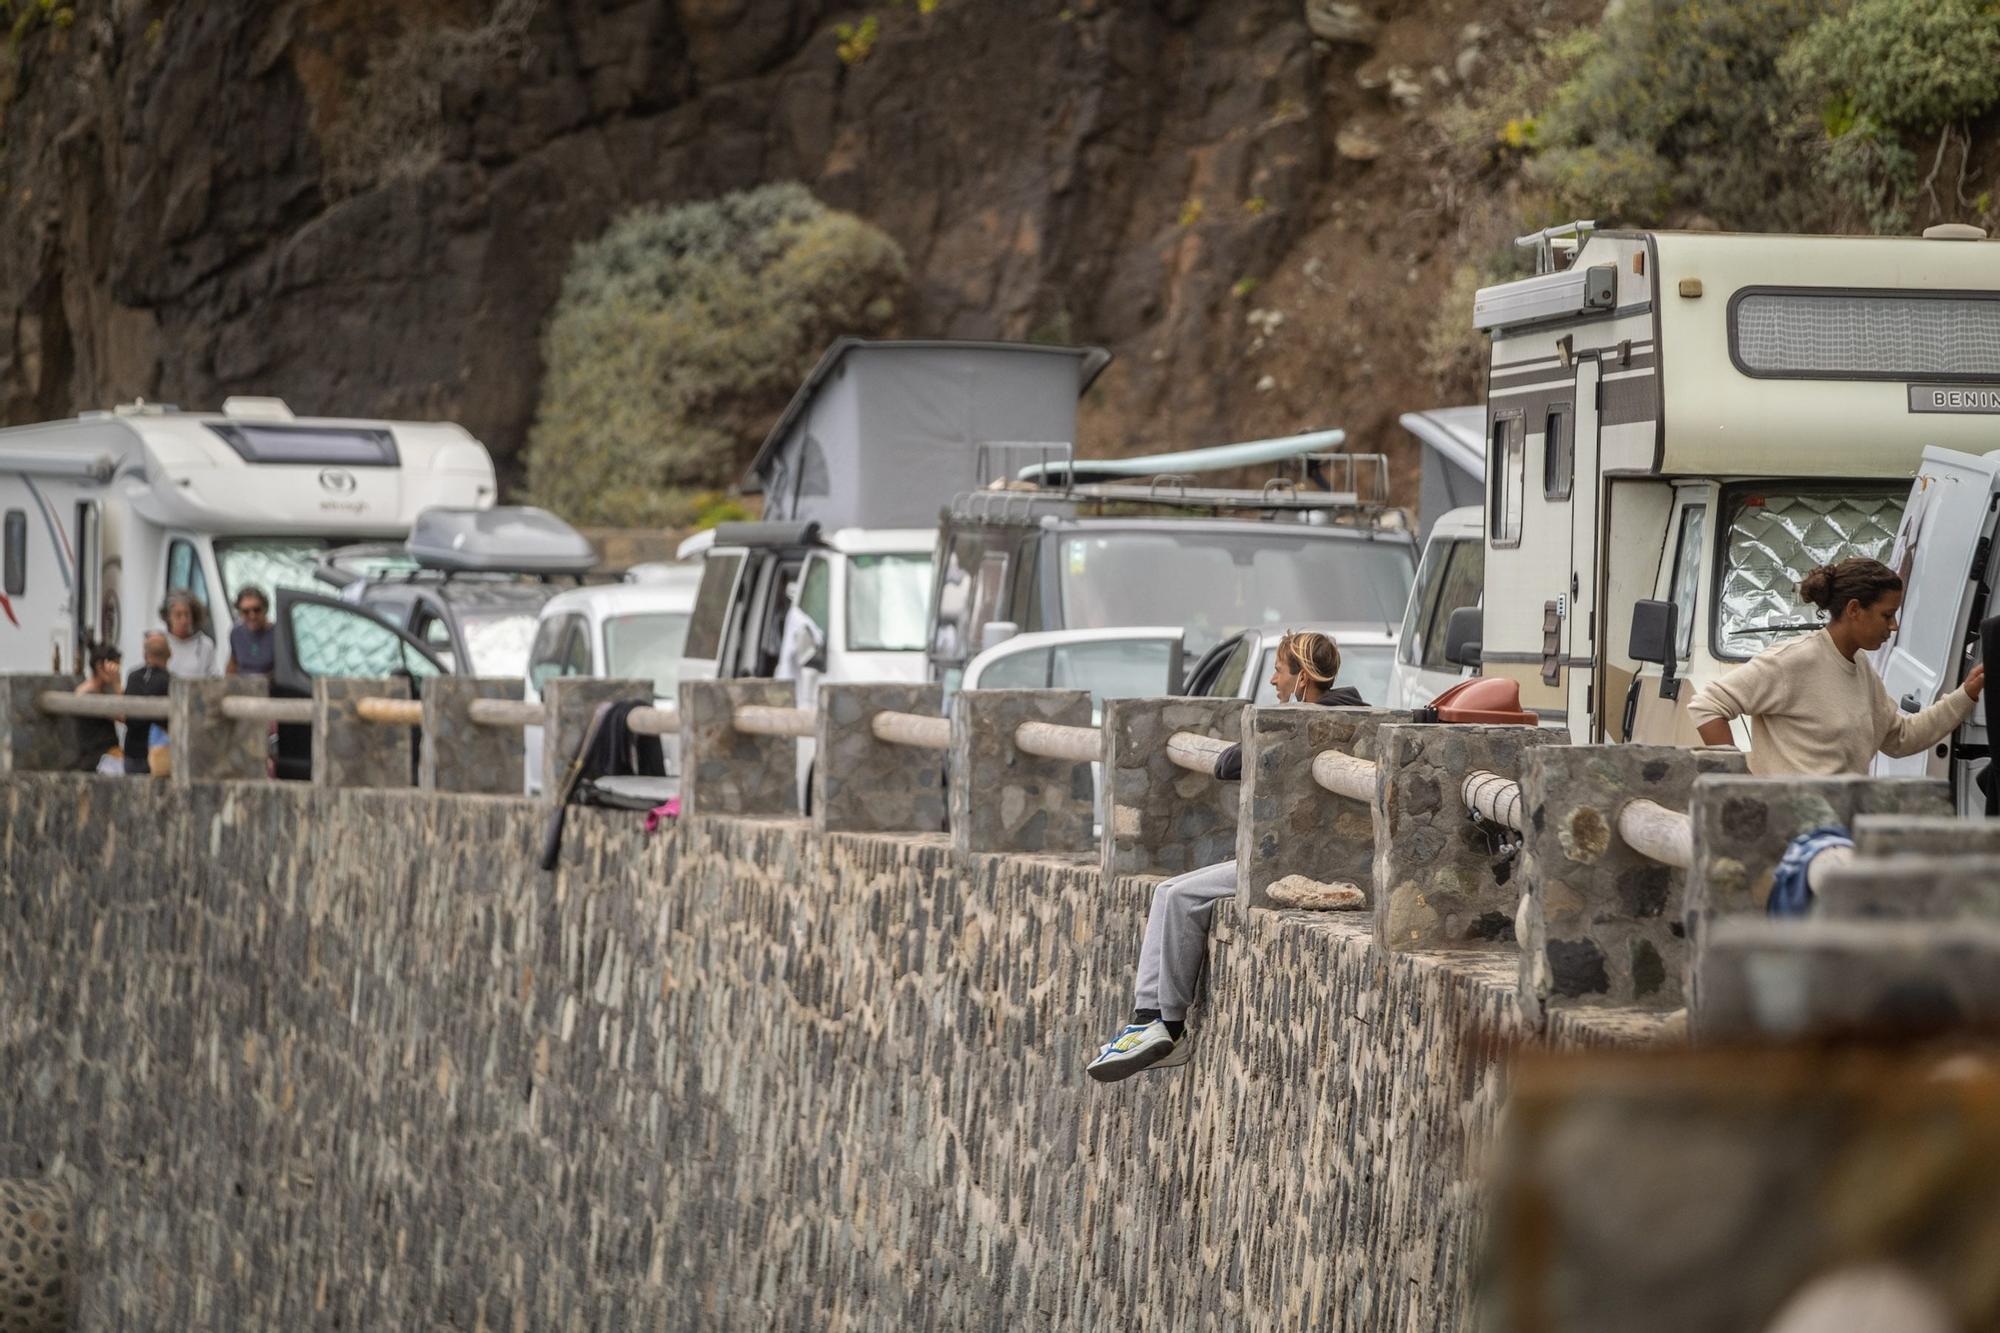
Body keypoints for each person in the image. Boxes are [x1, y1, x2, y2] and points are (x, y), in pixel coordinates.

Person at [1087, 630, 1366, 1082]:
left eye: (1279, 671)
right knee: (1167, 891)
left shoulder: (1297, 719)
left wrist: (1273, 725)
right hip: (1290, 862)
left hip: (1284, 868)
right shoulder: (1353, 713)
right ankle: (1144, 1020)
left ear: (1302, 679)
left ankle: (1168, 1027)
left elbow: (1226, 764)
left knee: (1177, 898)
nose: (1273, 681)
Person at [1688, 557, 1986, 776]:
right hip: (1787, 833)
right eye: (1887, 615)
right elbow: (1707, 706)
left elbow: (1899, 738)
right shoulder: (1794, 660)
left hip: (1840, 831)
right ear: (1854, 609)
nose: (1894, 626)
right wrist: (1739, 784)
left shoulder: (1861, 667)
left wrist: (1966, 694)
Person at [69, 644, 124, 774]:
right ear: (101, 666)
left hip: (104, 752)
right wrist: (117, 684)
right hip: (98, 755)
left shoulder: (101, 690)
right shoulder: (89, 693)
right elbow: (124, 715)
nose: (117, 672)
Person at [124, 631, 173, 777]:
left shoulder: (133, 677)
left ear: (145, 655)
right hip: (160, 754)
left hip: (132, 753)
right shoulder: (172, 681)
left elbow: (125, 713)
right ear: (170, 654)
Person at [162, 588, 219, 678]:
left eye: (187, 614)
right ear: (168, 617)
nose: (183, 620)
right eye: (178, 615)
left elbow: (213, 676)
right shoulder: (161, 643)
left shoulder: (205, 644)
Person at [226, 585, 275, 676]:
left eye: (256, 610)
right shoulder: (236, 633)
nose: (252, 616)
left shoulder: (277, 634)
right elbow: (232, 665)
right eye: (246, 612)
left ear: (265, 609)